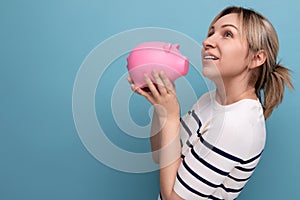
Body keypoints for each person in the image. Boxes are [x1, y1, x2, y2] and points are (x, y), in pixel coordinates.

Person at [128, 6, 293, 200]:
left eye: (227, 34)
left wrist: (172, 115)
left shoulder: (237, 125)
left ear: (257, 58)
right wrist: (161, 107)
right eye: (211, 32)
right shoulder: (210, 100)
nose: (207, 41)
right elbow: (161, 155)